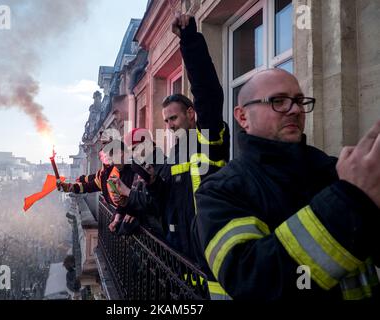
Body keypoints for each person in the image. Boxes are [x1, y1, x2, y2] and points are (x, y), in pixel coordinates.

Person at [194, 67, 380, 300]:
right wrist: (351, 202)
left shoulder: (333, 169)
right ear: (243, 117)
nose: (295, 110)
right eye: (278, 101)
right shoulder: (220, 190)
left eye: (299, 101)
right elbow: (253, 279)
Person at [146, 15, 230, 299]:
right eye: (166, 121)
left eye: (173, 118)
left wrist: (189, 41)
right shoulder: (173, 152)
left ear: (191, 114)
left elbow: (208, 94)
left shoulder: (208, 139)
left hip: (211, 262)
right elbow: (166, 203)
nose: (169, 125)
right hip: (181, 262)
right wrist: (153, 184)